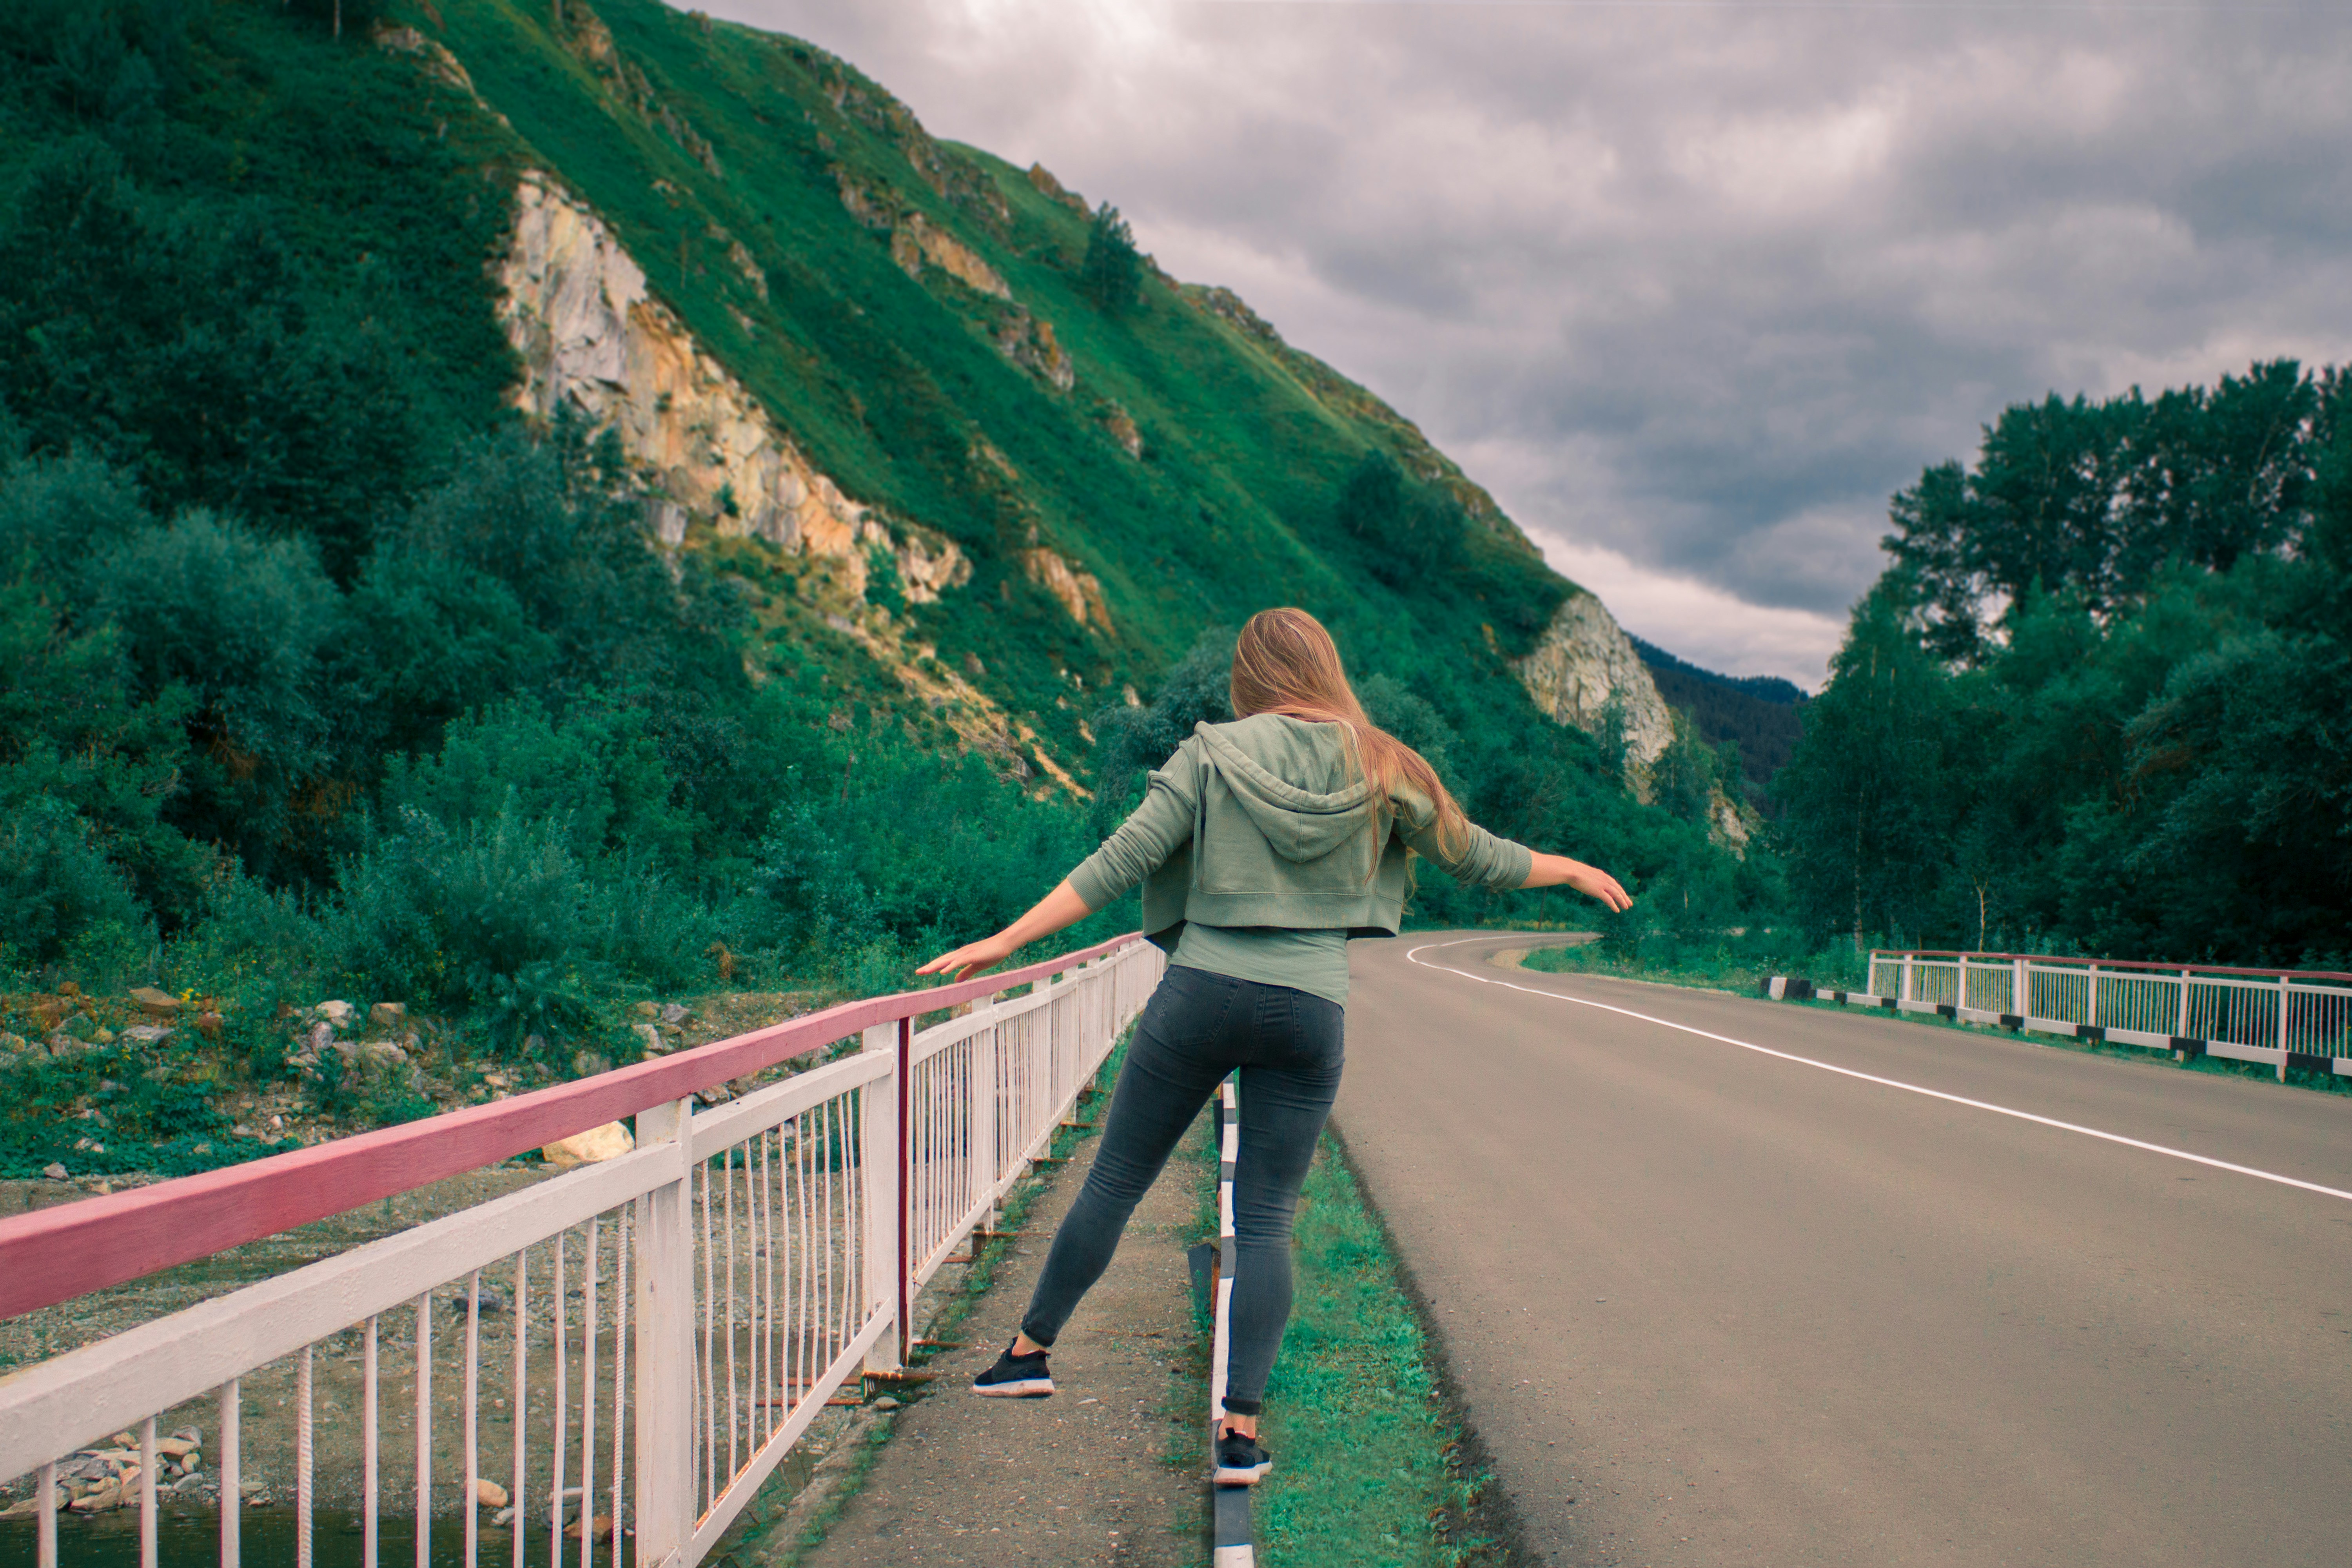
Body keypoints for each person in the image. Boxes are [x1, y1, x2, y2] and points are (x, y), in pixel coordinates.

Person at [918, 607, 1631, 1488]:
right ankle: (1240, 1433)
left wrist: (1005, 940)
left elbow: (1123, 859)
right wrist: (1569, 868)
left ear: (1250, 674)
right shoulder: (1385, 762)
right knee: (1266, 1221)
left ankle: (1029, 1353)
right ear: (1325, 667)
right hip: (1310, 1007)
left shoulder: (1211, 752)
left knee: (1116, 1177)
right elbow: (1476, 855)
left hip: (1201, 992)